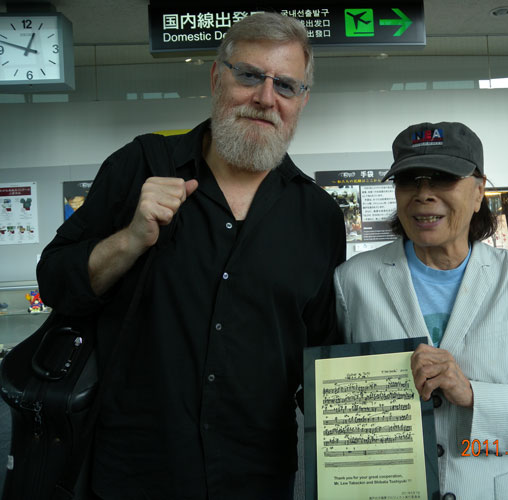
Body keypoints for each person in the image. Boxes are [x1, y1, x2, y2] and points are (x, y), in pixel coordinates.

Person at [37, 12, 345, 500]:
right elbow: (55, 281)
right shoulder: (140, 165)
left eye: (286, 85)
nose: (266, 98)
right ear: (216, 77)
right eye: (250, 76)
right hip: (136, 475)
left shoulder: (319, 216)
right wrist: (130, 240)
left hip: (258, 478)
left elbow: (321, 356)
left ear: (302, 100)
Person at [334, 121, 508, 499]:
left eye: (443, 178)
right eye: (409, 180)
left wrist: (470, 394)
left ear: (479, 190)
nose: (423, 194)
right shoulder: (354, 281)